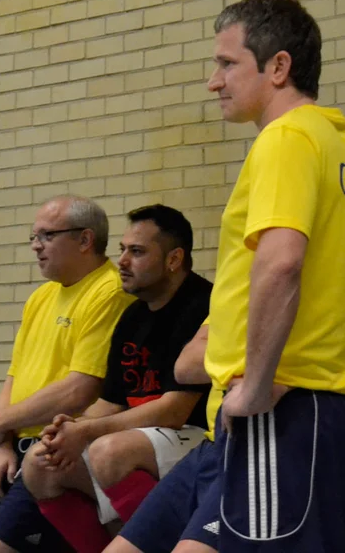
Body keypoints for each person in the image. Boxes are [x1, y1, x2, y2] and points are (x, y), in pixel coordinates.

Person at [108, 0, 345, 553]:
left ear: (279, 67)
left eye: (227, 63)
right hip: (331, 413)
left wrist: (257, 383)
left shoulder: (285, 141)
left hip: (282, 409)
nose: (214, 81)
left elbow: (282, 260)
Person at [19, 205, 213, 553]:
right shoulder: (132, 317)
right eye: (122, 249)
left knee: (110, 451)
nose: (121, 261)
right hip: (142, 439)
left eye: (136, 252)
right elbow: (112, 400)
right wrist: (69, 428)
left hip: (198, 438)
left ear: (174, 259)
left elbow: (175, 411)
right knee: (40, 464)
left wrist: (88, 432)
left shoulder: (203, 305)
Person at [0, 196, 134, 553]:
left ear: (85, 240)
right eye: (33, 237)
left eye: (45, 236)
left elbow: (79, 390)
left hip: (54, 453)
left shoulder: (109, 292)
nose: (35, 246)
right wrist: (1, 443)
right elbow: (15, 377)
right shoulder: (40, 298)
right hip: (14, 455)